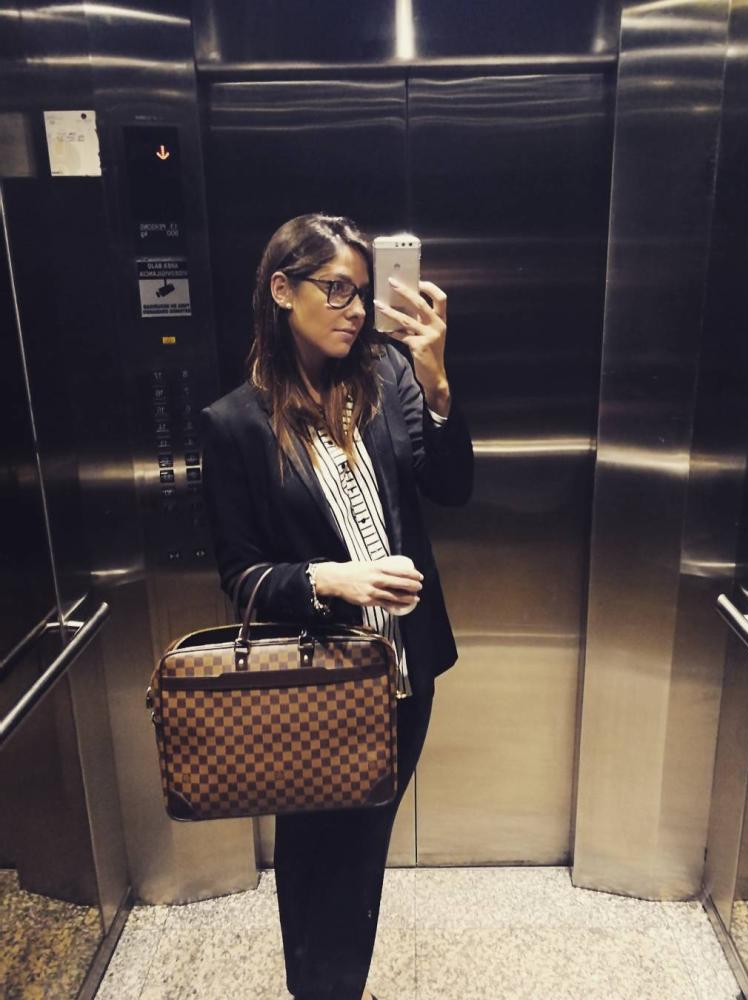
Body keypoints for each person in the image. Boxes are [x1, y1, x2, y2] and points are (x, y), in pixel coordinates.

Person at [200, 213, 473, 1000]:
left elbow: (452, 487)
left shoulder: (386, 383)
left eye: (362, 291)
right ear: (283, 290)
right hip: (318, 678)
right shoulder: (235, 424)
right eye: (337, 289)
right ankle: (323, 989)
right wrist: (332, 580)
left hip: (405, 672)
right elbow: (242, 575)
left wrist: (436, 380)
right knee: (315, 851)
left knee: (361, 850)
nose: (355, 309)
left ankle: (332, 988)